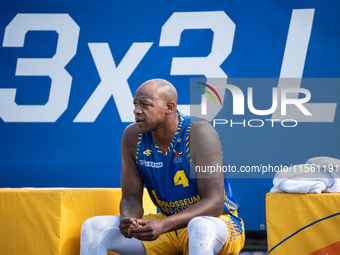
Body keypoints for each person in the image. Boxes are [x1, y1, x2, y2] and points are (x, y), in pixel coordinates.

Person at [80, 79, 245, 255]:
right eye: (135, 104)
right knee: (93, 228)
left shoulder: (199, 132)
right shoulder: (132, 137)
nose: (136, 110)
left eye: (145, 104)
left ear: (169, 107)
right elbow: (131, 198)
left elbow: (214, 204)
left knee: (199, 226)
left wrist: (163, 225)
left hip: (219, 222)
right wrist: (130, 219)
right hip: (168, 224)